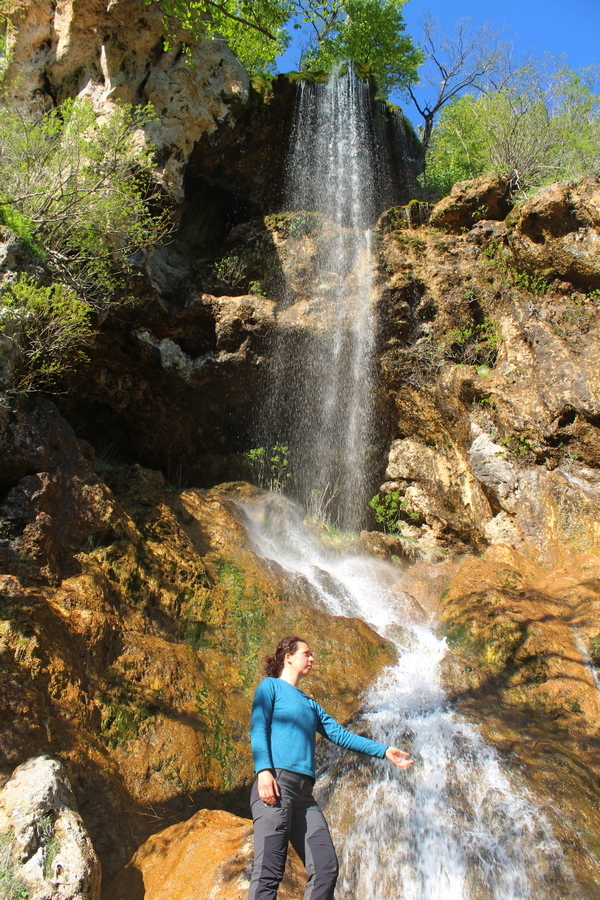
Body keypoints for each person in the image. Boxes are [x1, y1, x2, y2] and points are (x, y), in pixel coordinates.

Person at [248, 635, 413, 900]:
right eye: (307, 653)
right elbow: (258, 727)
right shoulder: (270, 687)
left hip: (304, 797)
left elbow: (341, 736)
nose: (312, 659)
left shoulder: (310, 704)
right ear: (288, 657)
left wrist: (384, 751)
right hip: (276, 784)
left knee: (325, 867)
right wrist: (264, 771)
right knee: (270, 870)